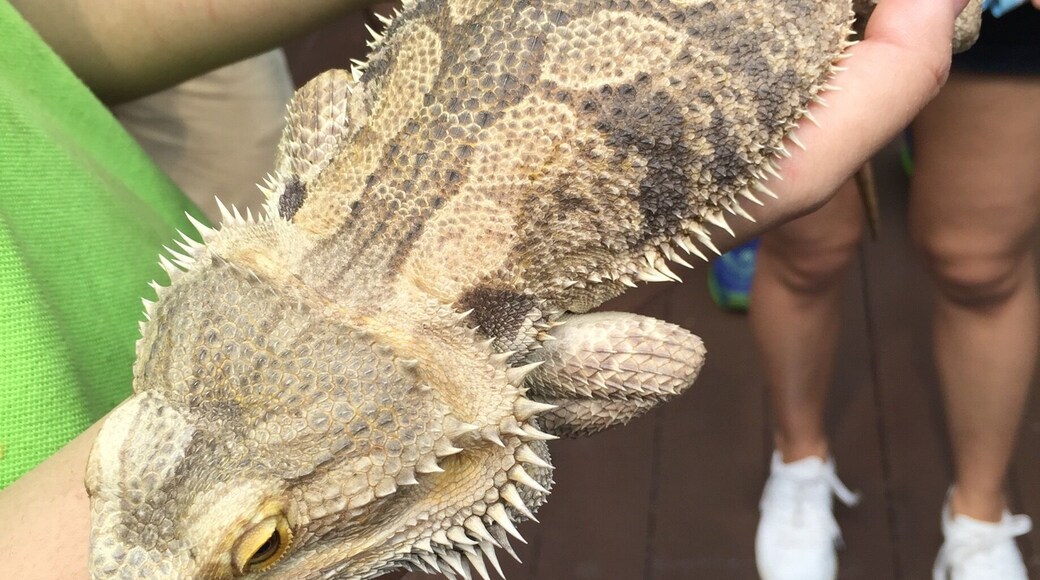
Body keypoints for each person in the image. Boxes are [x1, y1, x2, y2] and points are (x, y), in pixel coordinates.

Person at [0, 0, 975, 578]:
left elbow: (669, 358)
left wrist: (504, 395)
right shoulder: (287, 207)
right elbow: (327, 100)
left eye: (260, 548)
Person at [751, 4, 1040, 580]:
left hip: (1003, 16)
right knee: (807, 251)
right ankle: (798, 456)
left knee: (980, 266)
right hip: (786, 13)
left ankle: (980, 512)